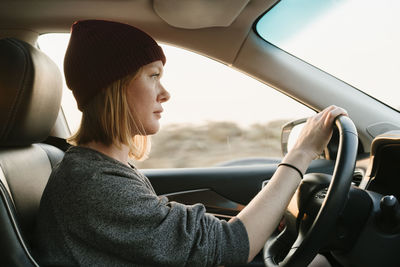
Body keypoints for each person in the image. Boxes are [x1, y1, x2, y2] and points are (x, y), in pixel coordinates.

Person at [33, 20, 347, 266]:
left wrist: (265, 215)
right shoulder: (94, 184)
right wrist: (302, 151)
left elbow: (180, 236)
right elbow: (231, 246)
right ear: (113, 87)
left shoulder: (100, 170)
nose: (165, 93)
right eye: (153, 75)